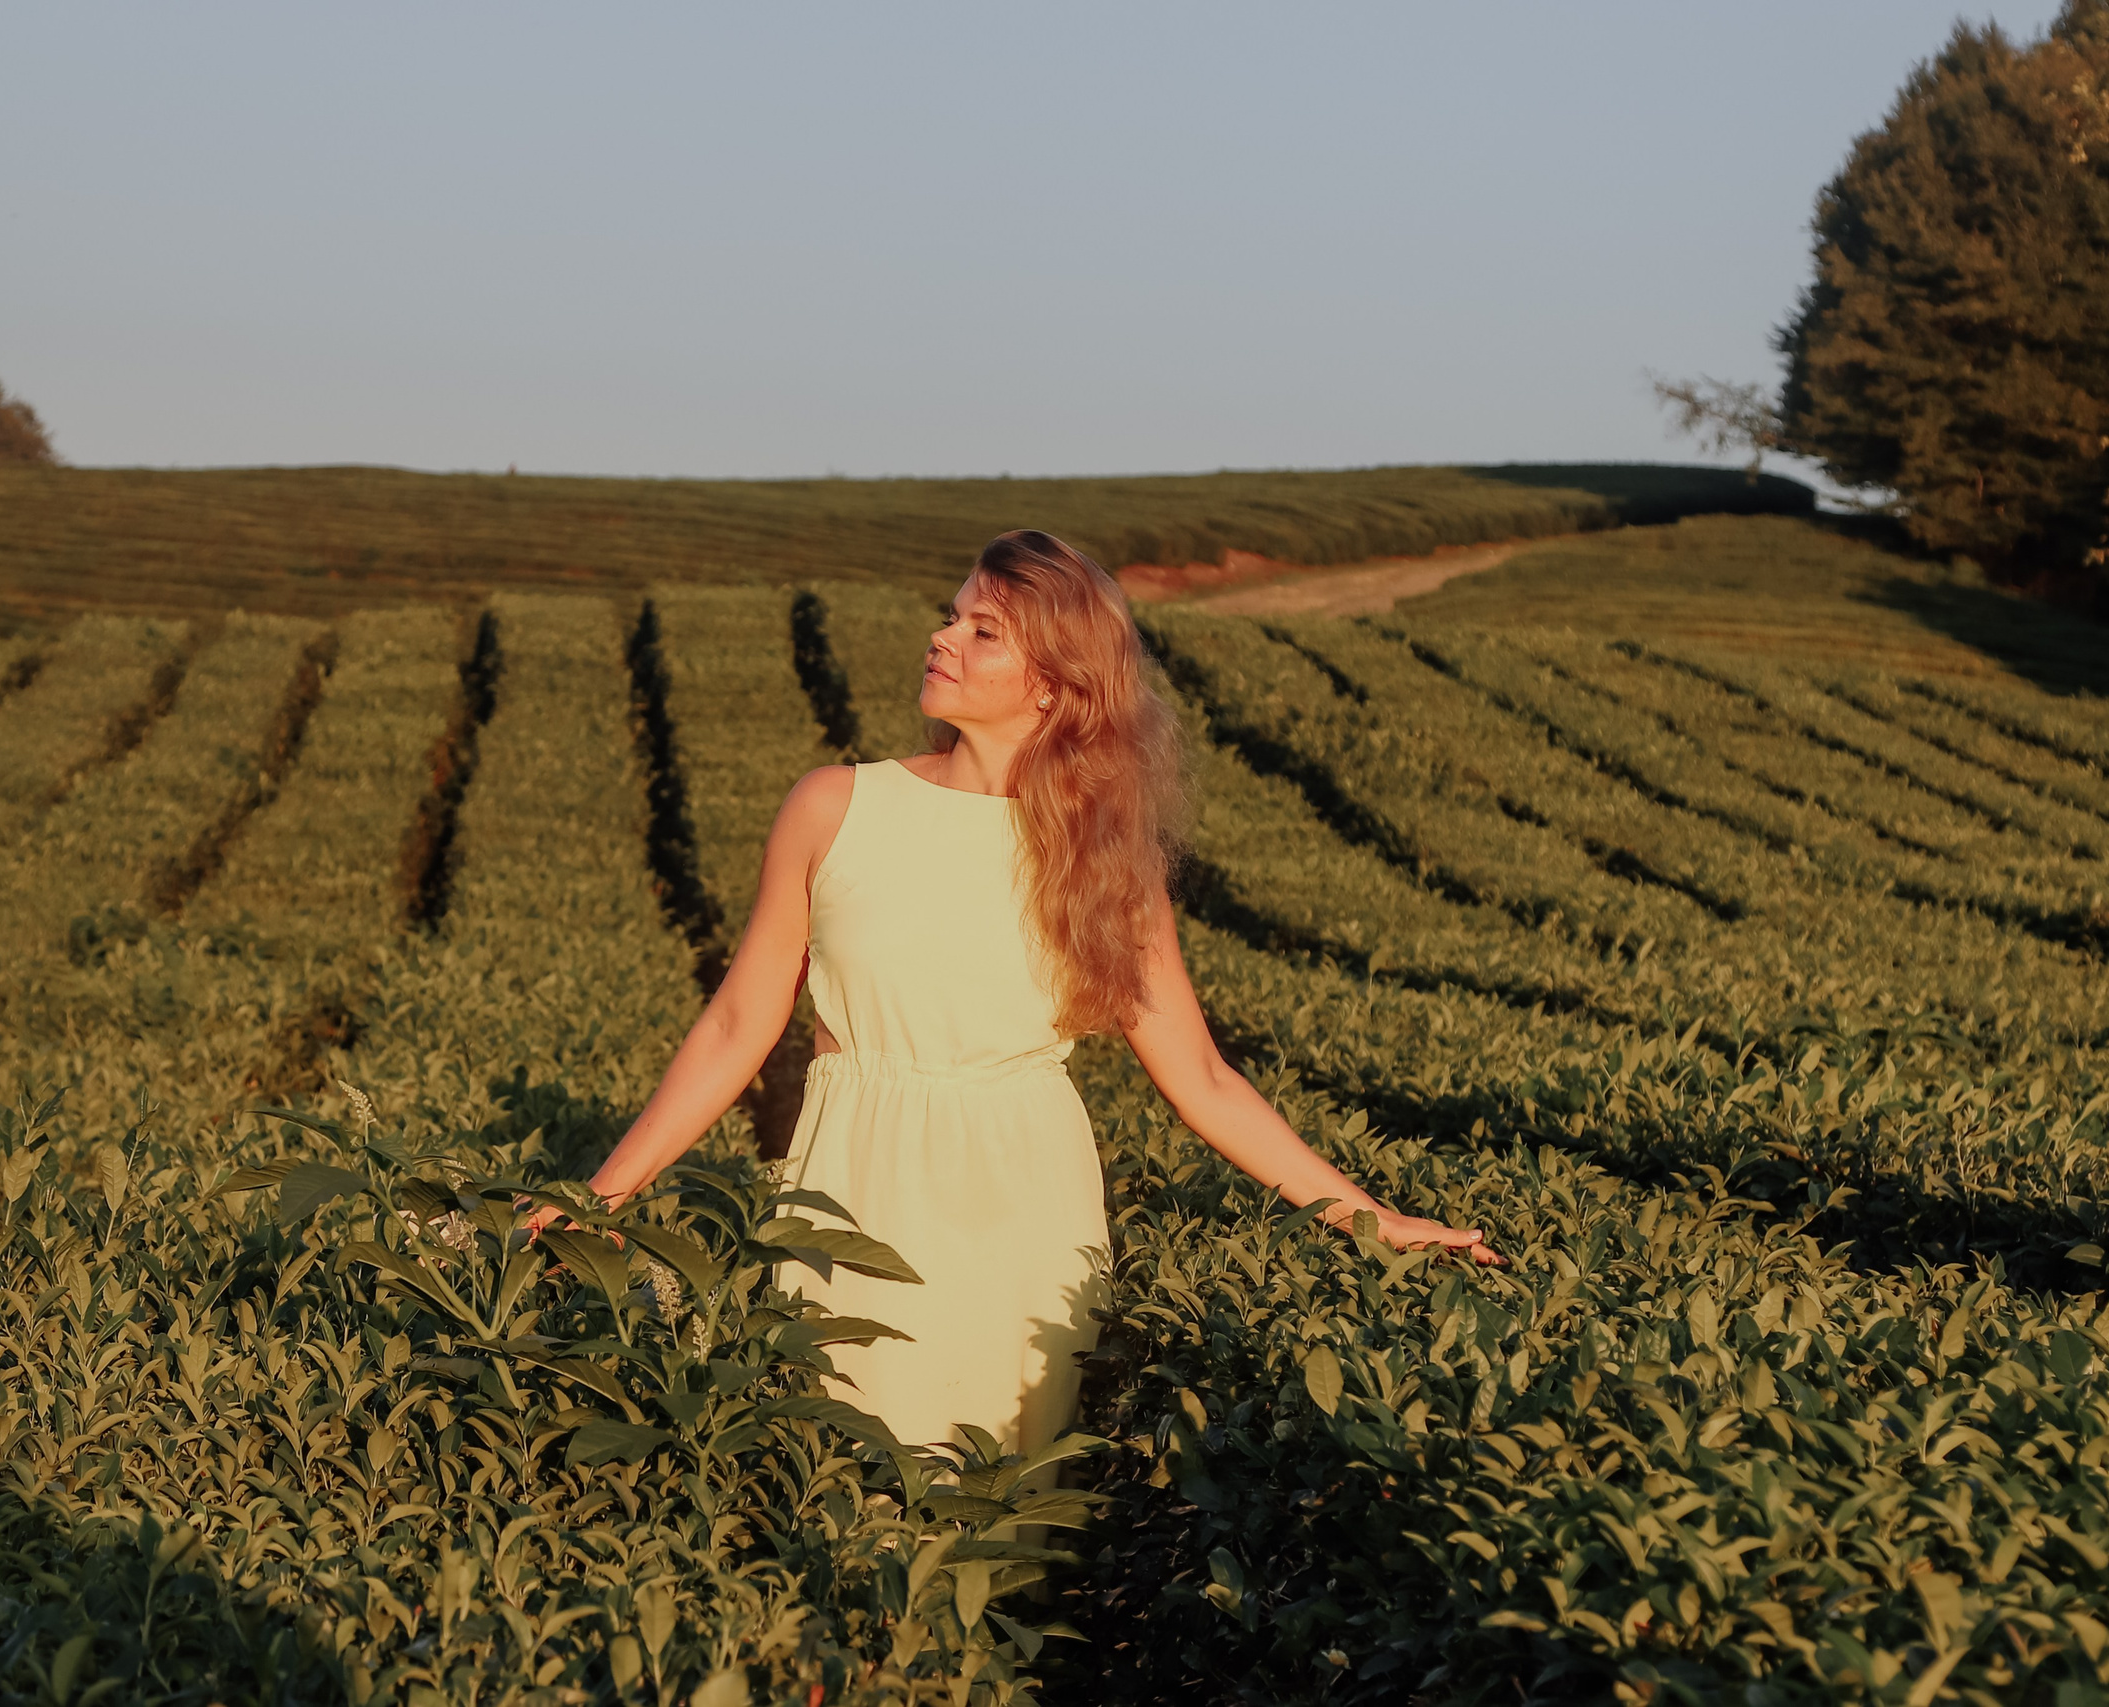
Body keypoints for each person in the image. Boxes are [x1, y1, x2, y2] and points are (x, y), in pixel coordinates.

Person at [553, 530, 1502, 1458]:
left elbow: (1204, 1079)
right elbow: (735, 1024)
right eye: (951, 615)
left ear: (1051, 685)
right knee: (843, 1486)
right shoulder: (834, 806)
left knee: (1001, 1518)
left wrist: (1369, 1217)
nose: (943, 637)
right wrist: (602, 1198)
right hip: (853, 1187)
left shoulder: (1105, 867)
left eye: (983, 631)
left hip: (1026, 1214)